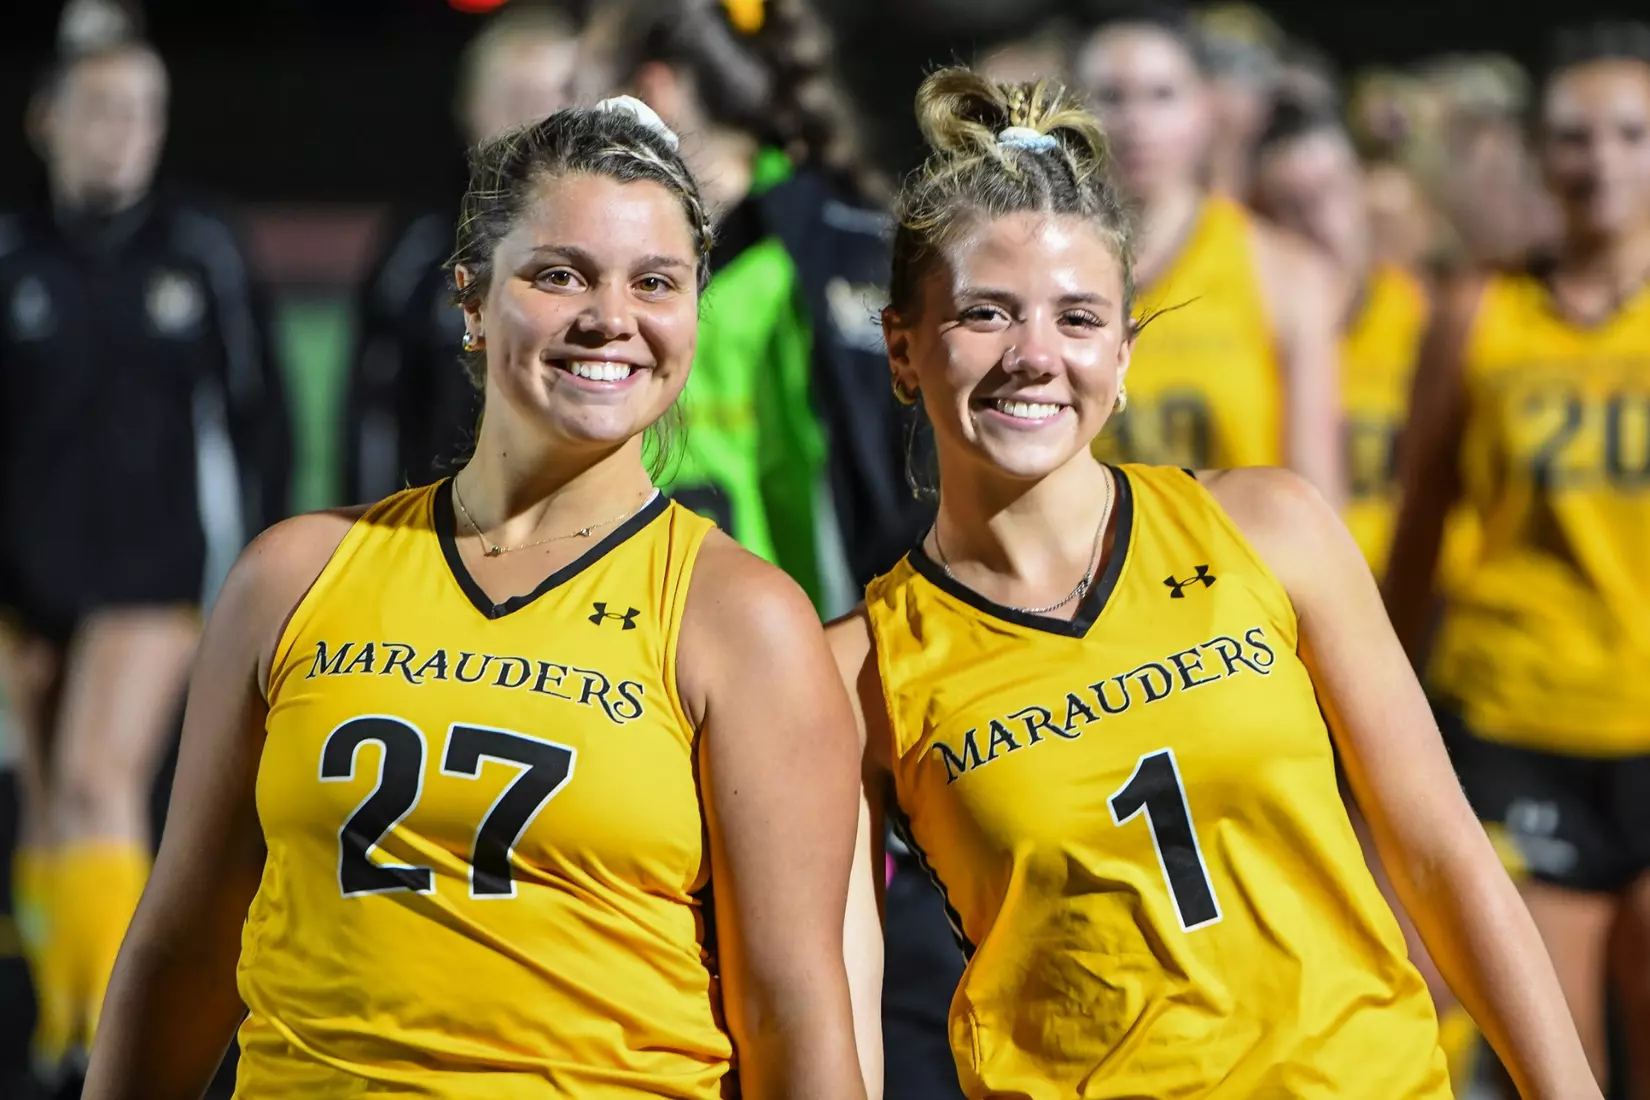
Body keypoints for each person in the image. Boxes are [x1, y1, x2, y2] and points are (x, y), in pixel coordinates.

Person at [830, 65, 1601, 1100]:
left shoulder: (1268, 525)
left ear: (1126, 352)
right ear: (903, 349)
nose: (1035, 355)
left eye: (1078, 316)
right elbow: (837, 1002)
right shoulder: (859, 666)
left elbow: (1442, 856)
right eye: (985, 313)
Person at [82, 97, 867, 1100]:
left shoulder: (739, 618)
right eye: (559, 273)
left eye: (655, 282)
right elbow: (184, 947)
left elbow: (792, 1011)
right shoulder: (295, 576)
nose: (610, 316)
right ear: (471, 297)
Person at [0, 33, 289, 1088]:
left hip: (157, 571)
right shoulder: (14, 251)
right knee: (43, 798)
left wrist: (259, 571)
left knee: (95, 778)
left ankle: (116, 1040)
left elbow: (259, 418)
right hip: (31, 580)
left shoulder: (199, 245)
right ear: (49, 121)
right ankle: (53, 1028)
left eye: (144, 110)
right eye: (102, 107)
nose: (124, 131)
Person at [1385, 21, 1650, 1094]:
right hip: (1516, 715)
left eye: (1633, 133)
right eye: (1574, 136)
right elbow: (1415, 539)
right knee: (1563, 1061)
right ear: (1540, 154)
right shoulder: (1476, 313)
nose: (1602, 161)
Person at [1251, 91, 1491, 1091]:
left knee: (1440, 920)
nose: (1316, 221)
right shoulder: (1265, 322)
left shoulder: (1424, 316)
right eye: (1286, 203)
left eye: (1329, 194)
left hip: (1426, 650)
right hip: (1289, 662)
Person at [576, 0, 927, 617]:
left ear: (651, 90)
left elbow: (897, 493)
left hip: (802, 655)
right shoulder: (834, 238)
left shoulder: (815, 258)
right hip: (642, 648)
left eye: (581, 95)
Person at [1074, 2, 1343, 504]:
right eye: (1111, 96)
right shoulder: (1047, 271)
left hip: (1230, 573)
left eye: (1162, 95)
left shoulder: (1283, 271)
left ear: (1205, 108)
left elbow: (1319, 501)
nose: (1135, 121)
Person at [342, 0, 581, 506]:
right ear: (469, 107)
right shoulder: (417, 251)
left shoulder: (623, 247)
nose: (539, 118)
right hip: (439, 538)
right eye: (518, 96)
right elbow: (373, 422)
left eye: (559, 95)